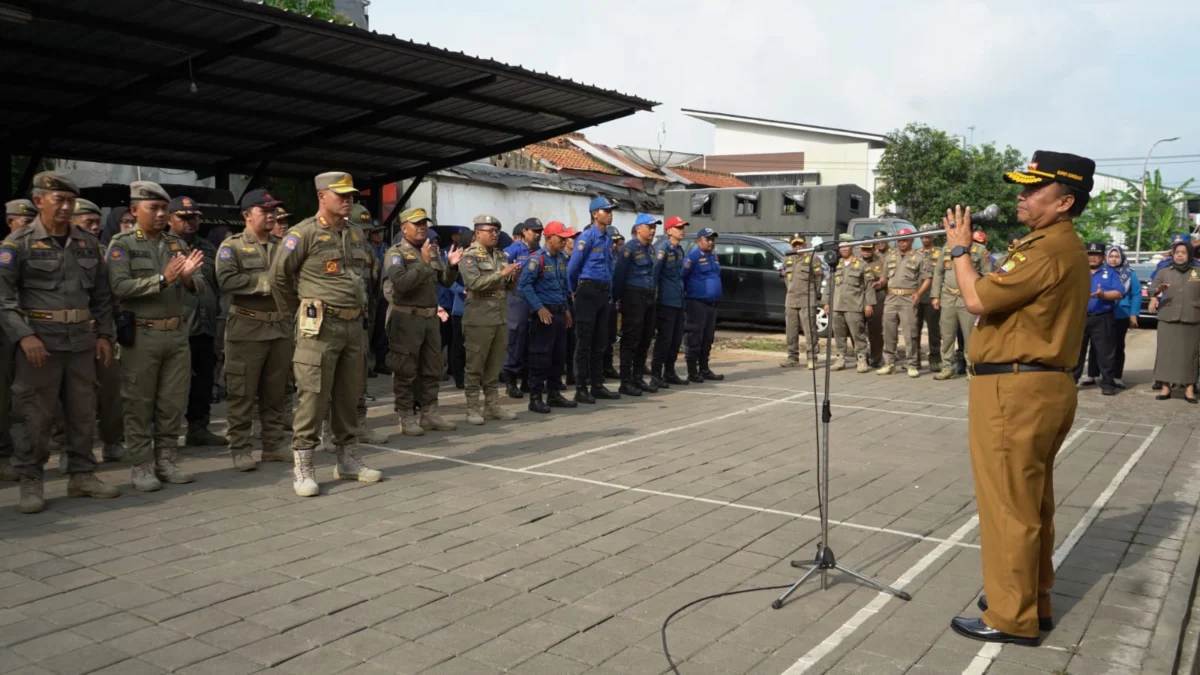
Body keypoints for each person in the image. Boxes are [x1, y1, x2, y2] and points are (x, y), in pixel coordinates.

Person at [944, 150, 1094, 646]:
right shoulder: (1054, 244)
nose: (1022, 196)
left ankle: (1011, 616)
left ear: (1065, 201)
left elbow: (978, 299)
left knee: (1008, 505)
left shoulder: (1046, 249)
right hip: (1037, 385)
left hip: (1016, 388)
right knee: (1031, 502)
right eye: (1023, 187)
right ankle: (1034, 599)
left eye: (1035, 190)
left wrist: (961, 251)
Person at [0, 172, 119, 513]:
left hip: (81, 342)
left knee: (83, 412)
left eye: (70, 201)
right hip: (40, 344)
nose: (67, 207)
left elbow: (103, 296)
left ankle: (82, 475)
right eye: (60, 201)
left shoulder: (87, 243)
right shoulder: (17, 245)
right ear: (38, 201)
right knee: (34, 414)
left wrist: (104, 335)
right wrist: (25, 336)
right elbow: (3, 299)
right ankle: (31, 480)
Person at [269, 171, 381, 497]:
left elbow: (365, 281)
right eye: (341, 195)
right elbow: (279, 277)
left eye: (351, 195)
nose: (348, 200)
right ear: (322, 197)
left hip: (352, 326)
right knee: (313, 397)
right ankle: (303, 465)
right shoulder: (302, 234)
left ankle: (347, 458)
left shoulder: (357, 235)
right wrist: (299, 311)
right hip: (319, 327)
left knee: (349, 395)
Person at [108, 181, 206, 492]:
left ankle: (166, 460)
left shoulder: (176, 244)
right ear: (135, 211)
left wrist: (189, 280)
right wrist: (163, 279)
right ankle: (141, 466)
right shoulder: (121, 244)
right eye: (155, 208)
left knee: (172, 402)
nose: (162, 214)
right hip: (141, 336)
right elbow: (119, 287)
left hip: (176, 335)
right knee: (139, 403)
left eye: (165, 208)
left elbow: (200, 284)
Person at [215, 188, 293, 471]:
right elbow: (226, 280)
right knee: (242, 393)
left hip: (279, 327)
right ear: (247, 215)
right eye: (265, 211)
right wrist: (268, 283)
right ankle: (240, 447)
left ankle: (272, 445)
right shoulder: (231, 246)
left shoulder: (283, 245)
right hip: (246, 328)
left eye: (273, 211)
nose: (271, 215)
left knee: (276, 392)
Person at [382, 207, 461, 436]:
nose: (422, 227)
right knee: (405, 369)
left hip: (429, 318)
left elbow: (444, 281)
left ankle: (430, 413)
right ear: (404, 227)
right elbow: (400, 283)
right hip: (406, 317)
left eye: (424, 223)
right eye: (417, 224)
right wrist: (423, 263)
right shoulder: (396, 253)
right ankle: (406, 415)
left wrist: (453, 266)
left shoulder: (431, 251)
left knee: (432, 368)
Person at [165, 196, 226, 447]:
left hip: (205, 325)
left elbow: (216, 284)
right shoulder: (163, 245)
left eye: (195, 217)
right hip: (176, 326)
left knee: (203, 379)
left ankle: (198, 428)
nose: (191, 221)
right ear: (170, 219)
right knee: (173, 383)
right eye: (184, 217)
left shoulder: (208, 247)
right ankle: (165, 436)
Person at [460, 214, 521, 425]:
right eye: (490, 231)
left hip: (499, 315)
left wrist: (514, 276)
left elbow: (509, 287)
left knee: (495, 364)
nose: (495, 234)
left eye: (496, 231)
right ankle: (472, 407)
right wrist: (502, 274)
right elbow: (474, 283)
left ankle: (492, 405)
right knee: (475, 363)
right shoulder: (469, 256)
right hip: (479, 315)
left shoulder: (500, 255)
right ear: (478, 233)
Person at [518, 220, 579, 413]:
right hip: (544, 316)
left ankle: (554, 394)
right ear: (548, 238)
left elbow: (563, 287)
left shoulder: (561, 259)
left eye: (565, 238)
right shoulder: (537, 259)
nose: (564, 241)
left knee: (558, 356)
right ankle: (535, 397)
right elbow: (524, 285)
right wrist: (538, 308)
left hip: (560, 314)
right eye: (560, 238)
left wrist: (567, 309)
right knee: (540, 356)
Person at [567, 197, 622, 404]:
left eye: (610, 211)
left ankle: (597, 385)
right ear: (594, 214)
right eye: (605, 211)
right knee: (584, 342)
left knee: (601, 342)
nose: (610, 214)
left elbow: (609, 267)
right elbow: (573, 268)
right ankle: (581, 387)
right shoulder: (587, 237)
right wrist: (574, 291)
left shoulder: (608, 237)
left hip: (603, 293)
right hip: (587, 292)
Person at [931, 226, 993, 380]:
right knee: (947, 334)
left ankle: (971, 368)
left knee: (970, 336)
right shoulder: (946, 248)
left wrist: (981, 297)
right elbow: (938, 272)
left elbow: (986, 275)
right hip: (948, 296)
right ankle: (947, 367)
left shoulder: (980, 250)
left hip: (968, 298)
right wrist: (935, 295)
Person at [612, 214, 661, 396]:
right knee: (631, 339)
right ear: (639, 228)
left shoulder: (652, 249)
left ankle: (638, 378)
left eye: (654, 227)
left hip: (649, 298)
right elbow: (619, 276)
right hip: (633, 297)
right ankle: (625, 381)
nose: (653, 230)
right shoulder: (628, 249)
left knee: (645, 338)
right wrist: (618, 299)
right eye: (650, 227)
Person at [1149, 238, 1200, 402]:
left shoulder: (1197, 271)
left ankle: (1190, 389)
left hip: (1192, 318)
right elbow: (1151, 288)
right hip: (1168, 318)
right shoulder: (1164, 271)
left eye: (1183, 253)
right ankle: (1165, 387)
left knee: (1190, 355)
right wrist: (1157, 290)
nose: (1179, 256)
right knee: (1166, 354)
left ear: (1189, 254)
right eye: (1177, 253)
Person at [878, 228, 932, 377]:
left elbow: (928, 278)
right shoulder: (890, 257)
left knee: (910, 333)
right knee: (888, 332)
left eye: (904, 240)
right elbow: (884, 277)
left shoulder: (919, 257)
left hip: (908, 299)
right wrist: (880, 283)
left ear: (911, 240)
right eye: (899, 240)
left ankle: (912, 364)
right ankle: (889, 363)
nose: (901, 242)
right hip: (891, 298)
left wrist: (919, 293)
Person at [1074, 242, 1123, 396]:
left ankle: (1108, 383)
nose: (1092, 257)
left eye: (1096, 254)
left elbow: (1119, 293)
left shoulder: (1111, 272)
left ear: (1102, 256)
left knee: (1106, 353)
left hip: (1102, 318)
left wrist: (1103, 295)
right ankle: (1071, 382)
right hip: (1080, 318)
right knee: (1076, 352)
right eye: (1089, 254)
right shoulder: (1077, 271)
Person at [503, 218, 543, 398]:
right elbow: (501, 269)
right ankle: (510, 381)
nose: (537, 234)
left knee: (533, 340)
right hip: (518, 299)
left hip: (535, 300)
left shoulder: (541, 252)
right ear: (525, 231)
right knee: (515, 339)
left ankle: (528, 380)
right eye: (534, 230)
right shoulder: (515, 249)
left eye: (539, 231)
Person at [822, 234, 872, 372]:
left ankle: (862, 359)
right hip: (837, 305)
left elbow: (868, 286)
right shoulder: (835, 264)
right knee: (838, 334)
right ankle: (840, 358)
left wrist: (869, 304)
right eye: (842, 246)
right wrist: (826, 301)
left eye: (847, 245)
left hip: (854, 305)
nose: (844, 249)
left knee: (858, 334)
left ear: (852, 247)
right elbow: (829, 284)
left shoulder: (862, 265)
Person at [651, 216, 689, 387]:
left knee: (676, 339)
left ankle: (670, 371)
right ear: (669, 231)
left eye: (683, 227)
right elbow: (654, 275)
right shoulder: (662, 249)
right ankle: (656, 375)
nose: (682, 230)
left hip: (678, 300)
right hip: (666, 301)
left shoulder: (679, 250)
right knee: (664, 339)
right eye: (679, 227)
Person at [682, 227, 724, 382]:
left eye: (713, 239)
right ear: (699, 241)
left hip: (711, 305)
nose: (711, 242)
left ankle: (704, 369)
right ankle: (692, 372)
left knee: (707, 338)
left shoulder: (714, 257)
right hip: (697, 303)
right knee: (694, 337)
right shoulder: (692, 258)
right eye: (708, 239)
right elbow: (683, 277)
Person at [780, 233, 823, 369]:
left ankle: (812, 358)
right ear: (791, 245)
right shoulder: (787, 259)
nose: (798, 246)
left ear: (805, 244)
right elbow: (786, 279)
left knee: (809, 330)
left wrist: (814, 295)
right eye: (795, 244)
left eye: (800, 244)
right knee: (791, 330)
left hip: (807, 298)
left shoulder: (813, 258)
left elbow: (818, 279)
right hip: (791, 298)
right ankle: (792, 357)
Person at [1105, 246, 1139, 389]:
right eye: (1111, 256)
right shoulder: (1101, 272)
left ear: (1122, 258)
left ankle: (1117, 376)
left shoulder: (1129, 273)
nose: (1114, 259)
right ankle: (1093, 374)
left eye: (1116, 256)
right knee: (1099, 346)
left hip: (1121, 314)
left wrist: (1133, 314)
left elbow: (1136, 294)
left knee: (1118, 346)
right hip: (1103, 313)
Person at [913, 224, 943, 372]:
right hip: (915, 296)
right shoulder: (915, 253)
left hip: (932, 296)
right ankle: (915, 359)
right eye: (923, 236)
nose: (925, 239)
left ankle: (935, 358)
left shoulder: (940, 252)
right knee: (914, 328)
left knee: (933, 329)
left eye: (928, 236)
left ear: (934, 236)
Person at [861, 235, 886, 367]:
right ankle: (862, 357)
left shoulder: (881, 261)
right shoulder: (856, 261)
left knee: (875, 329)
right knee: (858, 328)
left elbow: (885, 277)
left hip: (877, 296)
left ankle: (876, 357)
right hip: (859, 298)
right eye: (863, 249)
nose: (866, 251)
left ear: (873, 249)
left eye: (868, 249)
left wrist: (881, 283)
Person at [603, 231, 624, 382]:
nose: (615, 245)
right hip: (601, 300)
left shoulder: (615, 257)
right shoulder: (602, 257)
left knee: (610, 336)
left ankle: (608, 366)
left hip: (612, 300)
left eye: (617, 242)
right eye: (613, 241)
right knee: (599, 338)